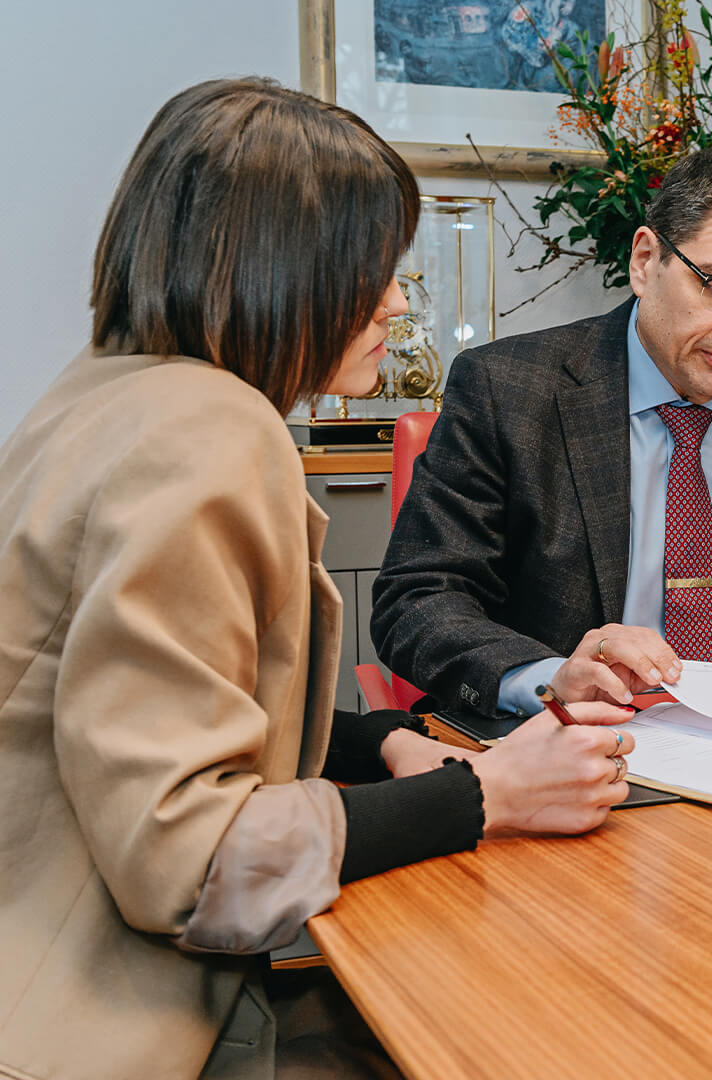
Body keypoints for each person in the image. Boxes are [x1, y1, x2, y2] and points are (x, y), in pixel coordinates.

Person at [0, 77, 634, 1080]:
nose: (395, 301)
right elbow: (189, 860)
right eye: (375, 269)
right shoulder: (208, 430)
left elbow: (136, 715)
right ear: (279, 268)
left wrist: (375, 740)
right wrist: (487, 795)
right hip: (98, 1027)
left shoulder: (96, 397)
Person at [371, 146, 712, 721]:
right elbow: (419, 601)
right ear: (645, 261)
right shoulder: (509, 390)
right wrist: (549, 680)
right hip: (582, 742)